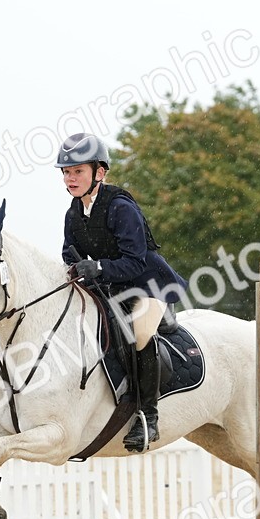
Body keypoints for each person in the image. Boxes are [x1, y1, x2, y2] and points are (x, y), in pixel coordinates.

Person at [55, 132, 188, 453]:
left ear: (99, 173)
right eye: (66, 173)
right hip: (111, 286)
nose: (70, 178)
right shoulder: (73, 214)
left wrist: (97, 269)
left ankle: (148, 416)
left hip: (149, 284)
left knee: (140, 333)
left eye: (78, 172)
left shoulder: (121, 208)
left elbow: (134, 261)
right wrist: (76, 269)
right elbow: (68, 254)